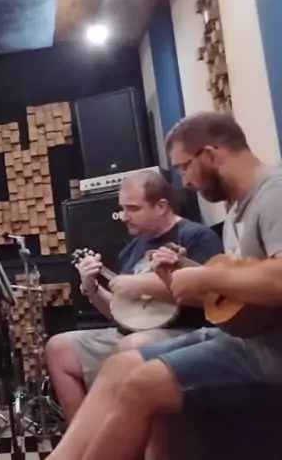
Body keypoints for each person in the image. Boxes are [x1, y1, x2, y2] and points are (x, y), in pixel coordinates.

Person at [47, 112, 282, 460]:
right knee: (119, 367)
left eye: (184, 167)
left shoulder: (273, 193)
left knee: (142, 383)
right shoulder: (236, 209)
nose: (184, 182)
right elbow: (239, 296)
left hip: (270, 349)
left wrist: (206, 277)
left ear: (210, 155)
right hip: (240, 335)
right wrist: (184, 274)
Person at [44, 171, 223, 420]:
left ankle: (119, 429)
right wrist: (92, 288)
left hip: (186, 331)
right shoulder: (131, 249)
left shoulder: (196, 237)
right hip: (134, 332)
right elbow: (120, 314)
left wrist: (139, 285)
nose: (124, 216)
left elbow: (210, 294)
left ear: (161, 206)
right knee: (58, 347)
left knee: (131, 346)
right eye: (122, 208)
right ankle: (86, 434)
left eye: (133, 208)